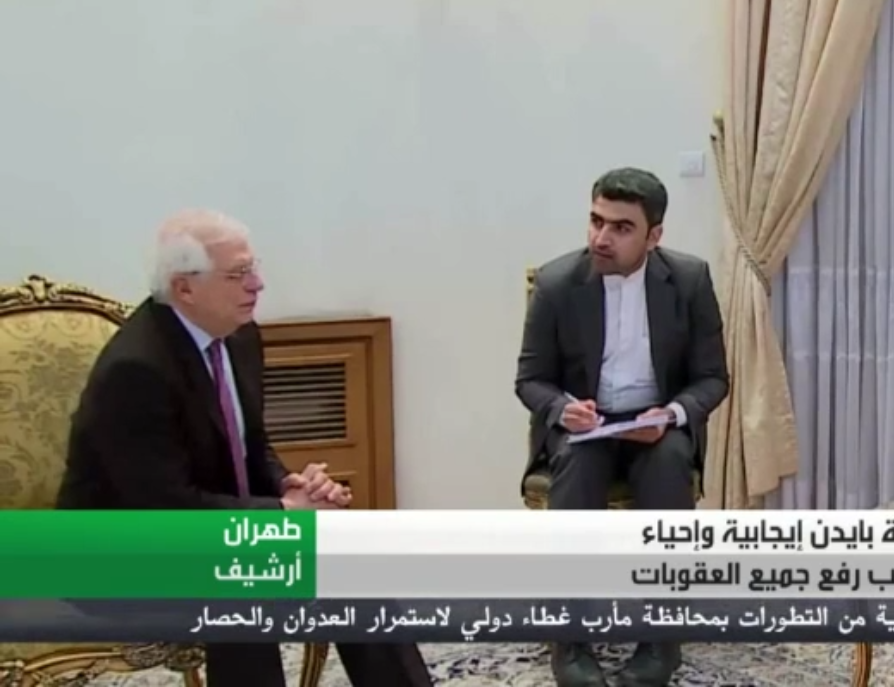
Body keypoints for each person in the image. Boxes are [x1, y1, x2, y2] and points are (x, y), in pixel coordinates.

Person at [56, 209, 433, 687]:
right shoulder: (136, 371)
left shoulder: (239, 335)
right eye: (237, 275)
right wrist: (281, 512)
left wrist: (291, 486)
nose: (258, 284)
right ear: (184, 288)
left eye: (254, 268)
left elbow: (251, 446)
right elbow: (164, 510)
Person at [516, 167, 730, 687]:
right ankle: (571, 642)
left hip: (656, 421)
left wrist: (671, 414)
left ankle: (660, 641)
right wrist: (562, 409)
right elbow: (530, 380)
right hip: (586, 423)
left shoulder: (690, 280)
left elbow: (712, 378)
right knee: (577, 463)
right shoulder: (557, 283)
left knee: (669, 463)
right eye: (596, 221)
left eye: (621, 227)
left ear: (654, 236)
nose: (601, 238)